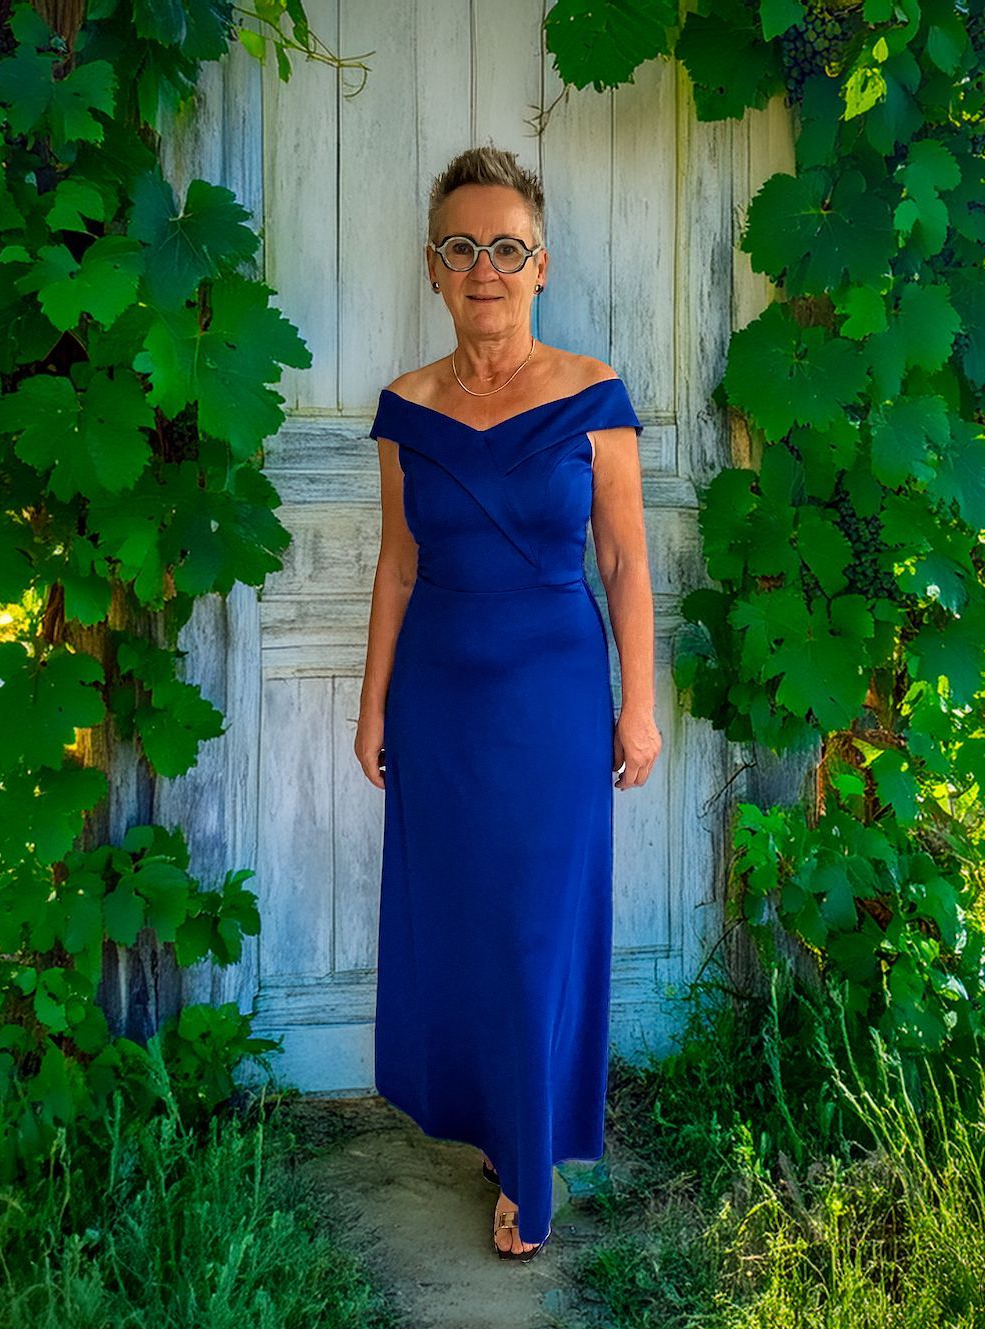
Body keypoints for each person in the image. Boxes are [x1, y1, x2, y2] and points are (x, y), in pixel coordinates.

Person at [355, 145, 661, 1262]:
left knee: (536, 924)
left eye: (506, 247)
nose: (484, 267)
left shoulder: (593, 396)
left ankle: (531, 1173)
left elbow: (625, 561)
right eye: (461, 247)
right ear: (434, 269)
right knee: (468, 922)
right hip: (439, 697)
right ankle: (500, 1126)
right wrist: (372, 706)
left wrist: (639, 704)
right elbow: (397, 565)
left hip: (553, 696)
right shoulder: (406, 408)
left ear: (540, 265)